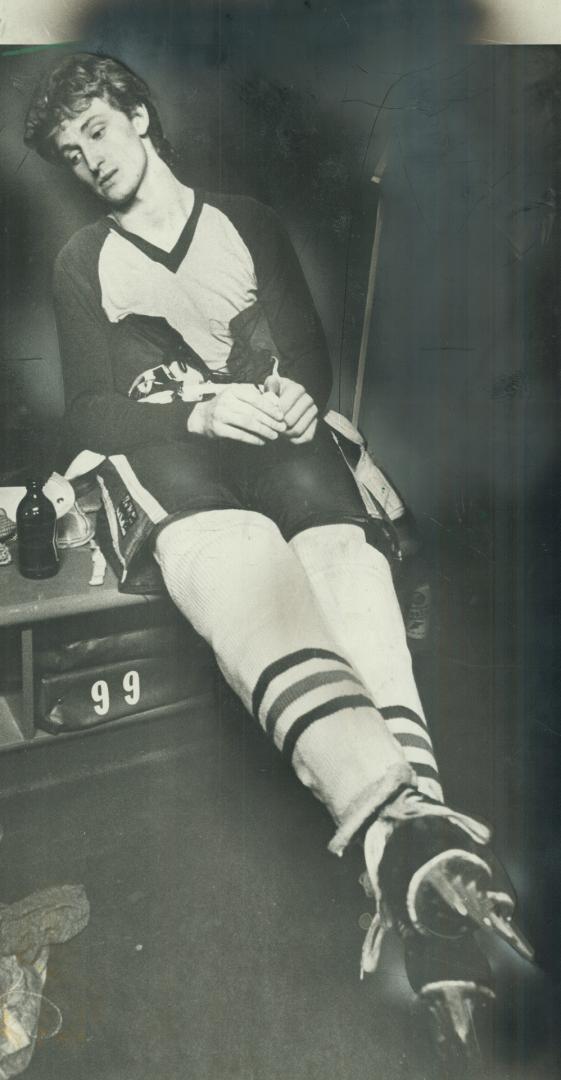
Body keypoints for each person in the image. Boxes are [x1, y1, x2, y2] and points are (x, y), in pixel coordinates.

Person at [24, 52, 532, 1053]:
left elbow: (303, 351)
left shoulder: (245, 218)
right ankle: (411, 838)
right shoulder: (83, 259)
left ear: (137, 113)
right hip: (173, 459)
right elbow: (86, 406)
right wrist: (205, 402)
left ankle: (405, 848)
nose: (88, 158)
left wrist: (297, 394)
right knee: (246, 557)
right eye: (69, 150)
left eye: (96, 129)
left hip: (274, 444)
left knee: (342, 556)